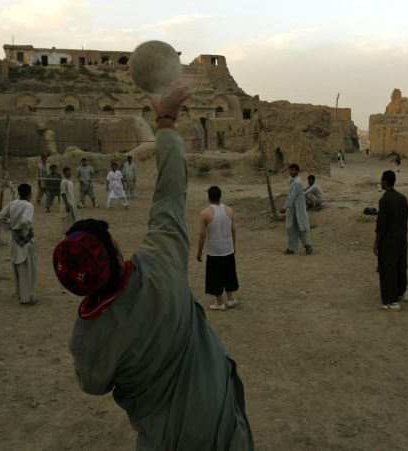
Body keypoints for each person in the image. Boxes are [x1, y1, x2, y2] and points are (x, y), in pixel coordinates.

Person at [52, 85, 254, 450]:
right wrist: (165, 122)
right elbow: (171, 190)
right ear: (115, 252)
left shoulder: (89, 335)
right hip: (221, 420)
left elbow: (93, 383)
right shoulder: (161, 262)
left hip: (163, 436)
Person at [197, 186, 239, 312]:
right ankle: (230, 299)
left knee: (215, 275)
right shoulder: (229, 210)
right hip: (228, 248)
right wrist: (233, 246)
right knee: (229, 273)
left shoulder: (205, 213)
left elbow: (202, 235)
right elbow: (233, 230)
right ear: (220, 196)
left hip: (215, 251)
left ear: (209, 197)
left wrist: (199, 251)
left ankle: (220, 302)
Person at [0, 183, 38, 306]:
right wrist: (26, 230)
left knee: (17, 269)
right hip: (24, 242)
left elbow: (0, 217)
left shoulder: (13, 203)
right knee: (27, 269)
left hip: (14, 240)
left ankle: (20, 294)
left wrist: (12, 228)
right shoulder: (29, 205)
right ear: (29, 193)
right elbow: (26, 220)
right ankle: (26, 299)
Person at [374, 170, 408, 311]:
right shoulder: (403, 198)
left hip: (389, 241)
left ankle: (392, 302)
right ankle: (402, 292)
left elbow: (381, 226)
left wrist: (376, 242)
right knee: (401, 266)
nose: (381, 182)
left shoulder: (385, 200)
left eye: (382, 180)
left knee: (388, 269)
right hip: (401, 239)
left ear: (385, 181)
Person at [280, 163, 312, 255]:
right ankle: (305, 246)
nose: (291, 172)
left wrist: (285, 207)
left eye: (293, 170)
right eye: (290, 170)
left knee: (293, 228)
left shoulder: (296, 182)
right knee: (298, 228)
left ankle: (296, 248)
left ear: (297, 171)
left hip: (295, 209)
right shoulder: (296, 181)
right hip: (296, 209)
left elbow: (292, 197)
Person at [60, 167, 79, 237]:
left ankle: (71, 234)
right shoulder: (63, 182)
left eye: (69, 171)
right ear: (64, 173)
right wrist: (66, 204)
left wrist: (75, 203)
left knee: (72, 219)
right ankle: (64, 236)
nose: (69, 172)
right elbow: (63, 193)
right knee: (65, 219)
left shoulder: (70, 181)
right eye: (67, 171)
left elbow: (72, 194)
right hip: (66, 204)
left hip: (72, 203)